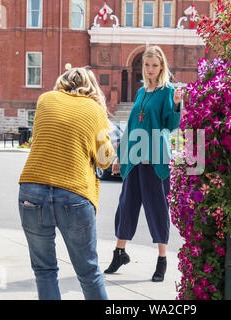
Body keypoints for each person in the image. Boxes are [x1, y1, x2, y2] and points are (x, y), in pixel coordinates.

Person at [18, 66, 115, 300]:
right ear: (91, 87)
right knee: (89, 272)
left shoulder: (45, 100)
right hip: (74, 193)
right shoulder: (94, 109)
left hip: (32, 189)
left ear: (62, 82)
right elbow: (104, 160)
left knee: (44, 270)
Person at [104, 46, 183, 282]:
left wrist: (177, 104)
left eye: (154, 66)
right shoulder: (141, 92)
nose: (149, 70)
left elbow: (170, 124)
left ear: (162, 67)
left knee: (157, 208)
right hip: (134, 158)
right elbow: (131, 126)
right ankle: (119, 253)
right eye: (146, 65)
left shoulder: (167, 91)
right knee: (126, 205)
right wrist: (120, 156)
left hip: (156, 159)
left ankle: (162, 260)